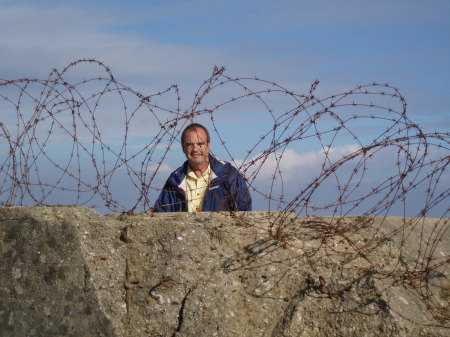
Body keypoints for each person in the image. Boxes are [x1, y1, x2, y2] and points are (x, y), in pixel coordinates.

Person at [153, 123, 252, 212]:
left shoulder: (228, 174)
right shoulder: (175, 181)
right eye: (189, 145)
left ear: (208, 145)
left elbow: (244, 212)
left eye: (200, 144)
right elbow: (160, 215)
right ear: (183, 148)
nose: (195, 149)